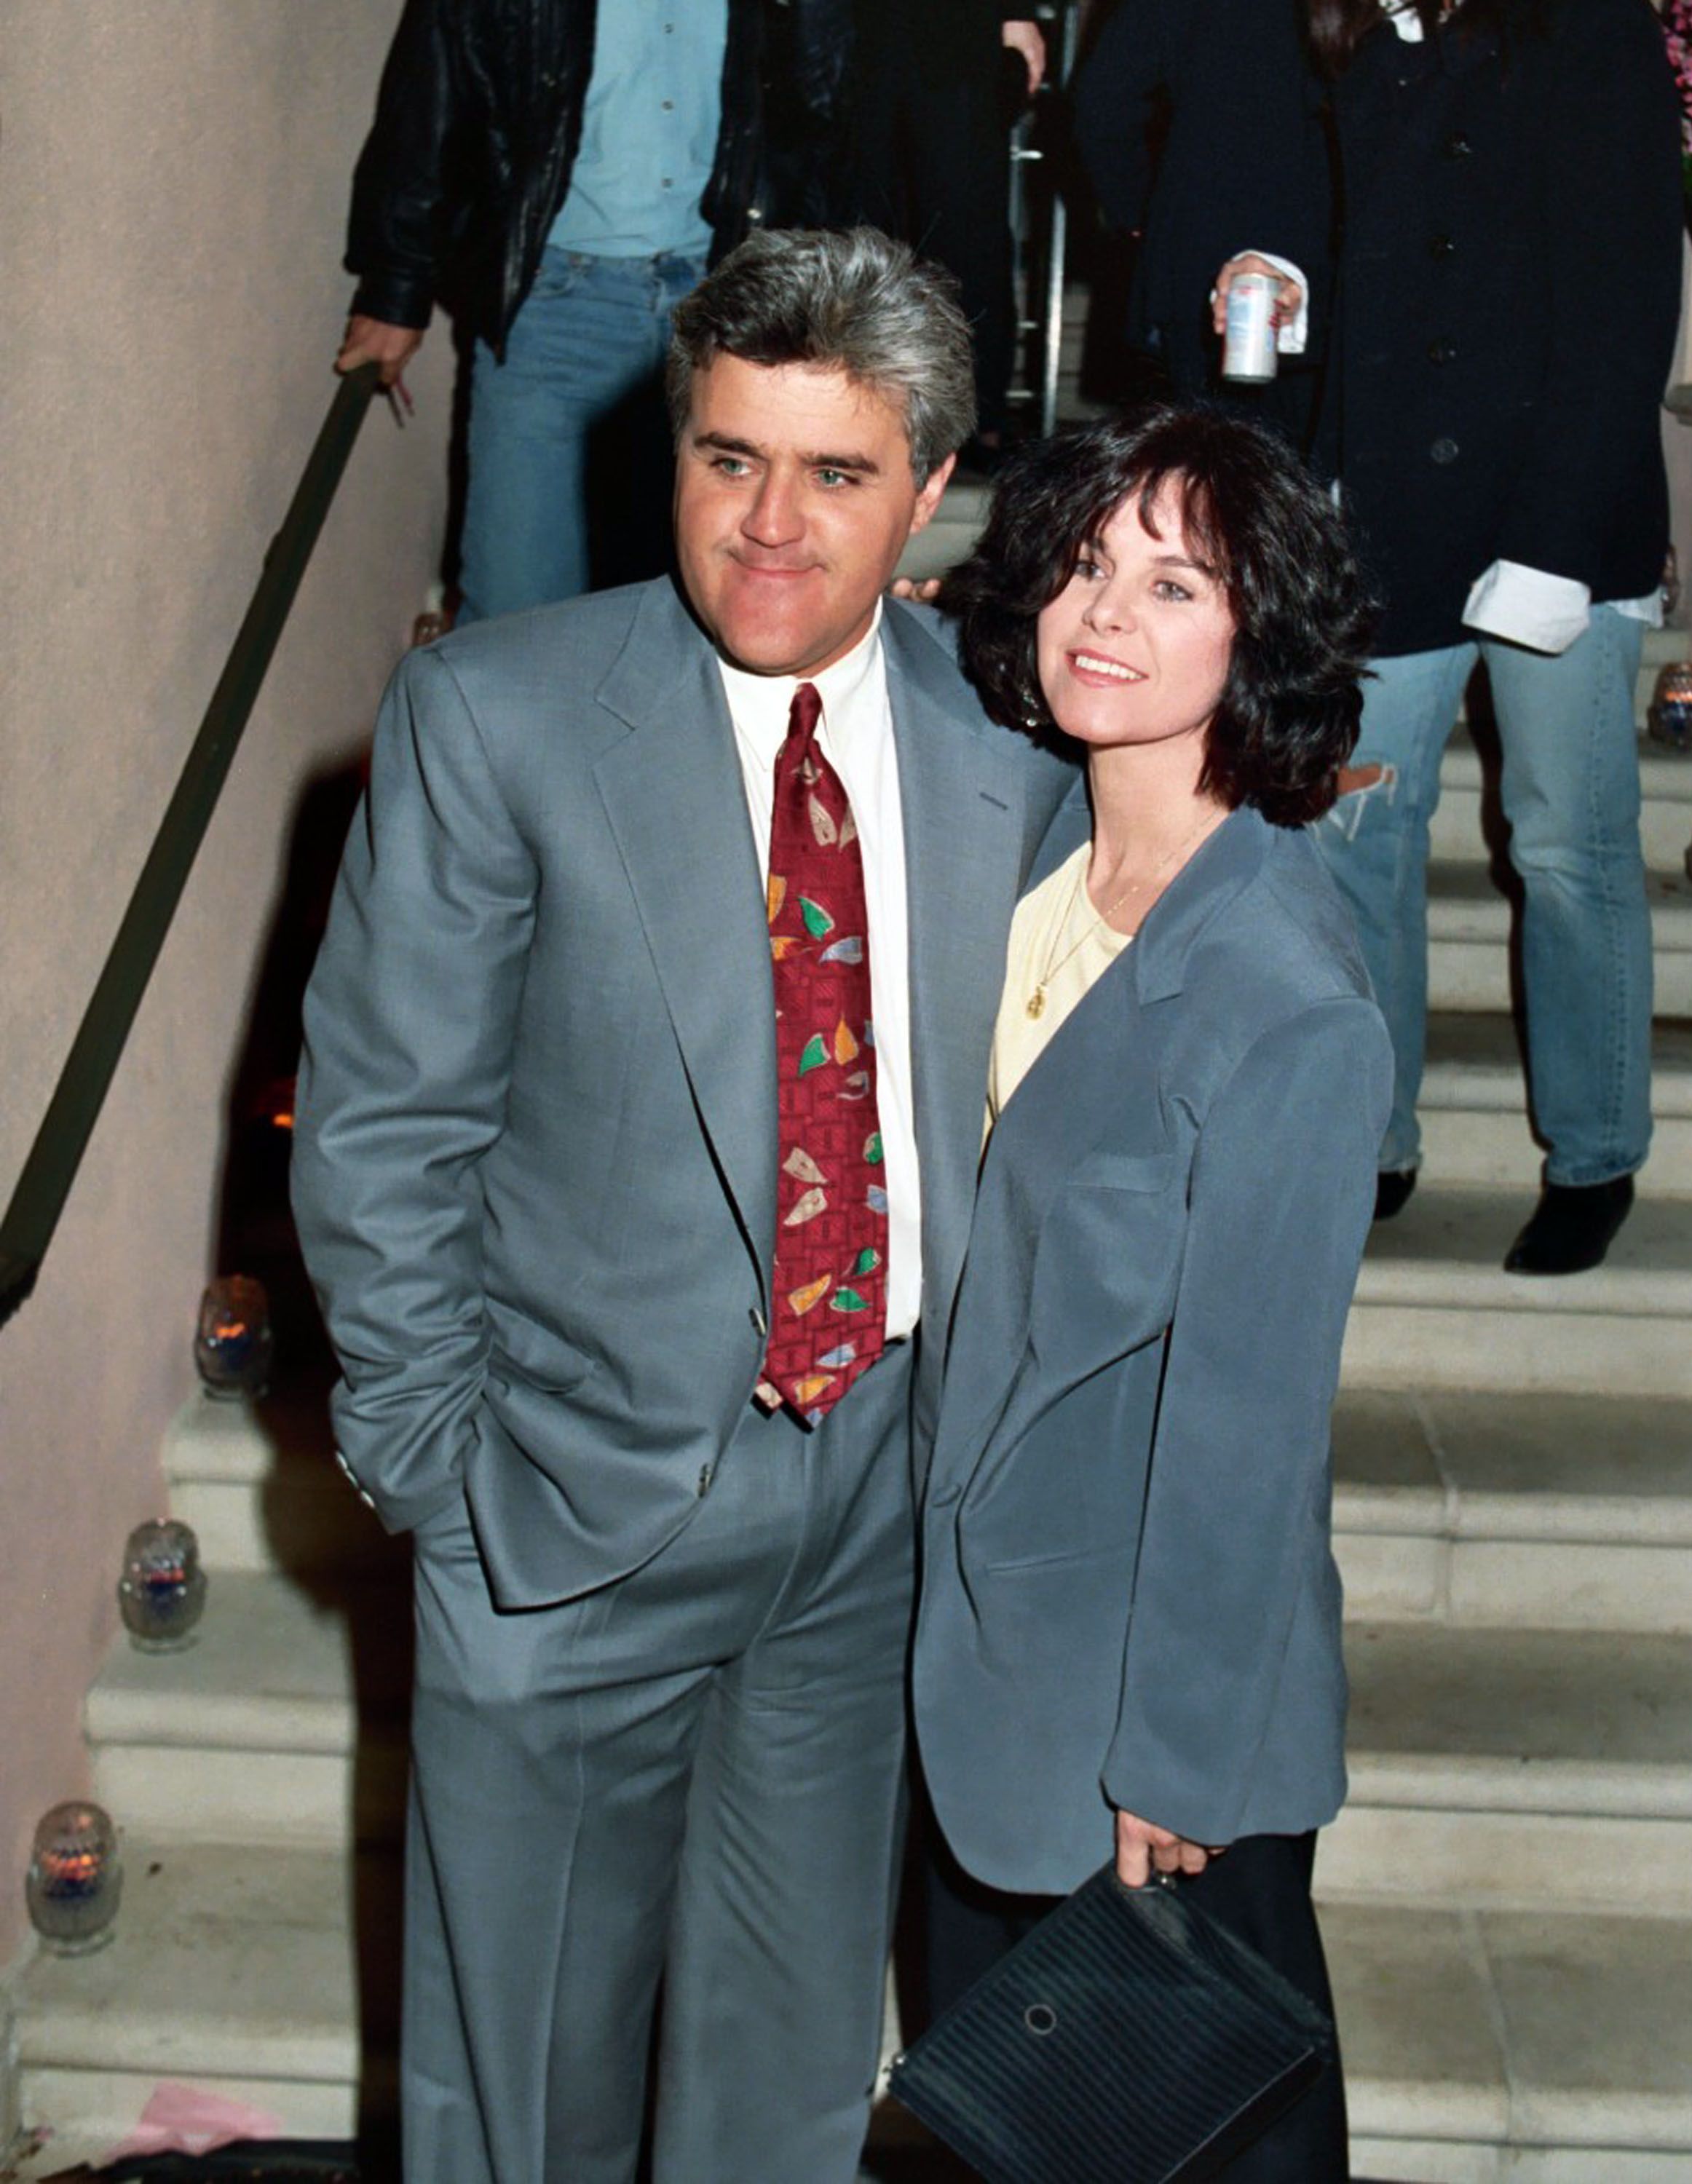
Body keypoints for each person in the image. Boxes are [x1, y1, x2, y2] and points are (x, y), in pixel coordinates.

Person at [290, 227, 1072, 2184]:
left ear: (930, 488)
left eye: (833, 474)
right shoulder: (500, 717)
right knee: (523, 2096)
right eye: (727, 459)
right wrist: (438, 1473)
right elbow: (383, 1129)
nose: (770, 529)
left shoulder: (1012, 745)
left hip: (868, 1513)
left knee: (786, 2080)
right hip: (568, 1509)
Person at [912, 403, 1392, 2181]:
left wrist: (1170, 1763)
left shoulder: (1284, 992)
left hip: (1141, 1739)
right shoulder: (1036, 850)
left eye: (1172, 581)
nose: (1103, 612)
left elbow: (1246, 1427)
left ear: (1252, 634)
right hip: (982, 1677)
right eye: (1087, 563)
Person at [1213, 0, 1683, 1273]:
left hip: (1553, 513)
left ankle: (1595, 1153)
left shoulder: (1587, 32)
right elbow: (1382, 262)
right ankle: (1372, 1138)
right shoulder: (1365, 41)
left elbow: (1622, 303)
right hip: (1394, 513)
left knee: (1566, 846)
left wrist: (1553, 545)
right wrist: (1285, 286)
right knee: (1357, 835)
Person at [338, 0, 852, 619]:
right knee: (514, 612)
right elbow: (430, 96)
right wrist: (395, 289)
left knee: (697, 611)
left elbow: (820, 120)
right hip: (556, 311)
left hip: (727, 314)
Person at [1072, 0, 1329, 443]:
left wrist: (1138, 212)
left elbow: (1102, 102)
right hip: (1322, 247)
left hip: (1198, 248)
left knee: (1203, 462)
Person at [847, 0, 1048, 465]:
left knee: (968, 228)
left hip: (956, 34)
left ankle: (978, 418)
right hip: (855, 35)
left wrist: (1015, 15)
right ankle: (868, 407)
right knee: (863, 227)